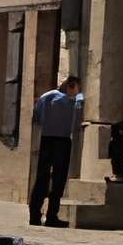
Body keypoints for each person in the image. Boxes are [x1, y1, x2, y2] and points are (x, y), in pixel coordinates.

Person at [30, 73, 84, 227]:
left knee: (42, 178)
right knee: (58, 180)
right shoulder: (73, 101)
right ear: (71, 86)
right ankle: (52, 215)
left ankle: (34, 214)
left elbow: (37, 116)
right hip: (62, 140)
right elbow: (77, 118)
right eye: (77, 89)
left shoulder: (45, 97)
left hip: (46, 138)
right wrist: (79, 97)